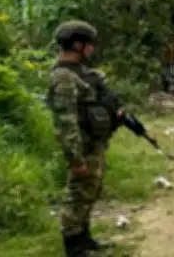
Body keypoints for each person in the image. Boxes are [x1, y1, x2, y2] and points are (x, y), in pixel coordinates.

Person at [46, 20, 122, 256]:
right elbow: (66, 121)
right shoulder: (64, 77)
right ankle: (73, 246)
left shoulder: (81, 73)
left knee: (90, 191)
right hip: (82, 147)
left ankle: (84, 237)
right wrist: (75, 159)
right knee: (78, 194)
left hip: (93, 144)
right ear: (78, 44)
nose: (92, 48)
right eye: (89, 43)